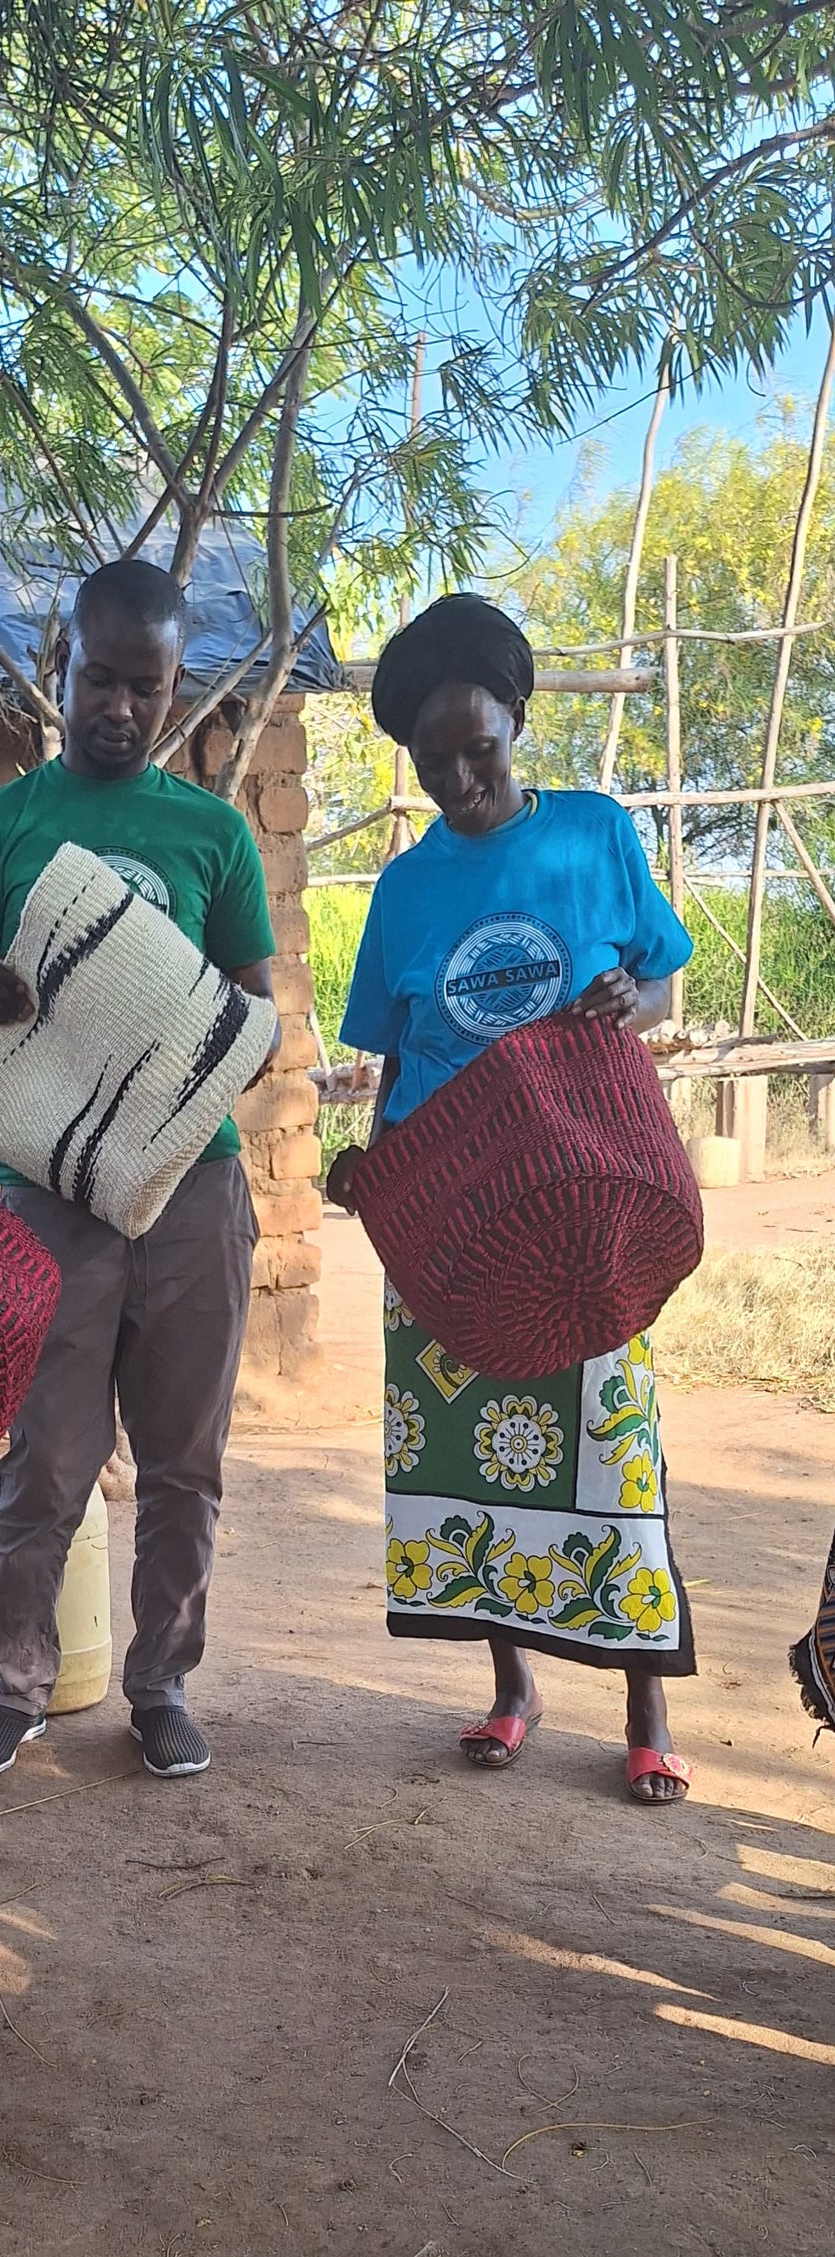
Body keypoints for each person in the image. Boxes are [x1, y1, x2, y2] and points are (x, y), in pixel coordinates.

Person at [331, 594, 696, 1804]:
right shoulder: (402, 890)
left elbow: (659, 984)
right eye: (429, 761)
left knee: (610, 1450)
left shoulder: (592, 835)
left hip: (582, 1206)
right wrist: (374, 1177)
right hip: (452, 1219)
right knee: (472, 1457)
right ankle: (512, 1689)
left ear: (517, 720)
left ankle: (643, 1708)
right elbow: (396, 1062)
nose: (455, 780)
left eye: (475, 749)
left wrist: (628, 1005)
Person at [0, 556, 278, 1782]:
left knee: (183, 1461)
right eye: (98, 678)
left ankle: (162, 1686)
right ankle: (16, 1688)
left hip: (193, 1181)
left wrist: (169, 1041)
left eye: (145, 685)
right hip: (50, 1190)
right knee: (45, 1456)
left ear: (175, 685)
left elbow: (252, 1015)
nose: (119, 706)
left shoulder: (212, 833)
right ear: (59, 664)